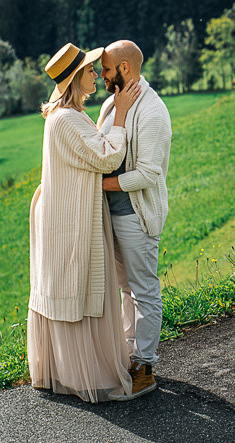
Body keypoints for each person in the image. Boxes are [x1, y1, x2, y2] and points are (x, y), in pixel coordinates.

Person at [27, 41, 145, 402]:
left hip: (62, 212)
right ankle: (90, 375)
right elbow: (108, 157)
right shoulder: (66, 120)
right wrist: (122, 113)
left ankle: (69, 370)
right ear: (77, 78)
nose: (97, 73)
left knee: (71, 287)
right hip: (69, 218)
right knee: (79, 286)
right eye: (91, 70)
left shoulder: (67, 117)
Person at [97, 40, 172, 399]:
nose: (101, 74)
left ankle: (144, 368)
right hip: (111, 215)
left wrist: (98, 183)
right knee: (126, 290)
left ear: (124, 69)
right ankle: (130, 357)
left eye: (107, 68)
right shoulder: (111, 103)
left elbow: (146, 174)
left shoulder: (154, 112)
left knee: (144, 291)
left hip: (136, 218)